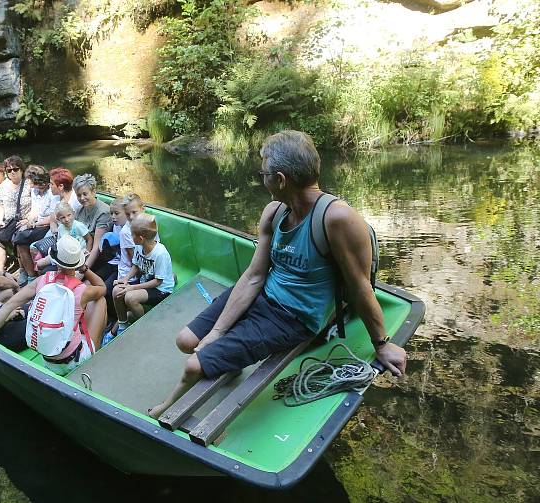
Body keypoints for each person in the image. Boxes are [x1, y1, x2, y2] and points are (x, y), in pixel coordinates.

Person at [148, 130, 407, 418]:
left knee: (194, 365)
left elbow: (360, 286)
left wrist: (381, 345)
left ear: (281, 179)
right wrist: (217, 332)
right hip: (263, 294)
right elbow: (254, 275)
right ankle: (230, 361)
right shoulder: (275, 211)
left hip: (293, 316)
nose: (262, 177)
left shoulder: (336, 218)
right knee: (187, 341)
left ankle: (165, 408)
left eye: (264, 171)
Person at [0, 235, 108, 374]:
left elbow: (10, 304)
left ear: (55, 260)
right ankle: (95, 351)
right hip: (74, 361)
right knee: (99, 300)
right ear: (78, 262)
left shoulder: (42, 280)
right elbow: (102, 287)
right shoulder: (83, 290)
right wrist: (84, 269)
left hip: (48, 362)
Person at [111, 214, 174, 340]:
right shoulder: (139, 247)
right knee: (116, 291)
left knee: (130, 298)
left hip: (161, 289)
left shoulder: (160, 253)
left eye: (132, 234)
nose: (131, 236)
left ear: (140, 238)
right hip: (146, 282)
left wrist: (132, 288)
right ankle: (123, 324)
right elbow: (136, 265)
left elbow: (157, 282)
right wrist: (125, 279)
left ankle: (143, 325)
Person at [13, 166, 58, 285]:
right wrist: (29, 221)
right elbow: (34, 210)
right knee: (18, 235)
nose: (28, 183)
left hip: (48, 225)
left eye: (30, 180)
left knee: (21, 238)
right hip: (37, 223)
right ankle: (27, 272)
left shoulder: (52, 192)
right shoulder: (35, 191)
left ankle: (31, 276)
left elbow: (52, 217)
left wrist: (34, 224)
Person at [34, 201, 90, 271]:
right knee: (39, 264)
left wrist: (87, 251)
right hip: (64, 254)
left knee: (45, 266)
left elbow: (89, 239)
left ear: (73, 213)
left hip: (78, 254)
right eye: (63, 217)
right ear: (58, 219)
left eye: (69, 215)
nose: (66, 219)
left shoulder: (78, 226)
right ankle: (36, 271)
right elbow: (60, 243)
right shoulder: (61, 228)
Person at [72, 174, 111, 270]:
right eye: (79, 195)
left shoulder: (103, 212)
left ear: (93, 192)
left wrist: (83, 270)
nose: (82, 198)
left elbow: (96, 247)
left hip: (98, 258)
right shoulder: (79, 210)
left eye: (85, 194)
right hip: (80, 252)